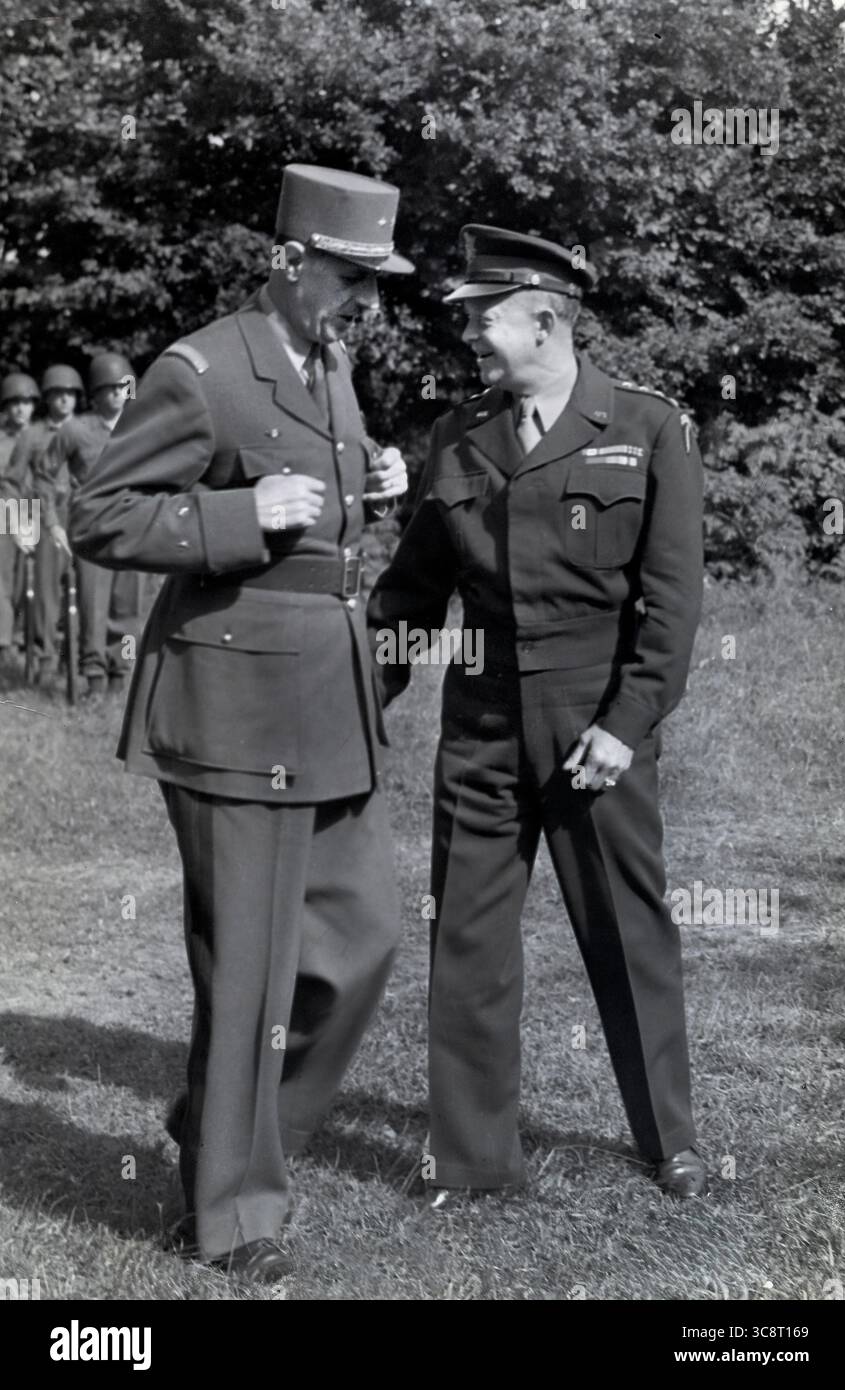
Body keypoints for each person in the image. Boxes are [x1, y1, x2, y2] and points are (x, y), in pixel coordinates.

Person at [69, 164, 413, 1282]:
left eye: (374, 282)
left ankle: (218, 1126)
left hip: (328, 697)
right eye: (351, 278)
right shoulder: (204, 368)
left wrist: (374, 477)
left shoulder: (334, 360)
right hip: (232, 703)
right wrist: (235, 513)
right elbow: (98, 514)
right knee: (252, 975)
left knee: (362, 943)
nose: (367, 301)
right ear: (289, 260)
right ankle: (230, 1214)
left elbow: (327, 488)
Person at [367, 225, 706, 1206]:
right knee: (467, 934)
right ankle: (475, 1165)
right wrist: (356, 695)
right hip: (480, 712)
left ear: (547, 318)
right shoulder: (458, 435)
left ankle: (670, 1140)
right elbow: (411, 594)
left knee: (624, 928)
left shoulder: (647, 428)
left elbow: (671, 604)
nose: (467, 331)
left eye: (483, 315)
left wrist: (623, 724)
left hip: (592, 711)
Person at [36, 352, 143, 699]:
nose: (116, 394)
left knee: (128, 609)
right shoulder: (75, 430)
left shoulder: (142, 427)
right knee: (93, 608)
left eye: (122, 387)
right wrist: (52, 524)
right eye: (107, 388)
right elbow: (44, 474)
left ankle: (122, 673)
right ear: (94, 394)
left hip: (134, 528)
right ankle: (94, 676)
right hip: (92, 529)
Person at [1, 364, 84, 684]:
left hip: (80, 516)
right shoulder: (33, 437)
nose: (63, 401)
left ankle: (81, 655)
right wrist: (19, 522)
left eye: (69, 394)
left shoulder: (86, 431)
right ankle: (43, 653)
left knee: (81, 592)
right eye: (56, 395)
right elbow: (11, 483)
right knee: (42, 590)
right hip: (40, 516)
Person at [0, 373, 41, 663]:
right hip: (4, 513)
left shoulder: (47, 437)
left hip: (38, 512)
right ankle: (5, 642)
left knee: (38, 580)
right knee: (4, 580)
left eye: (25, 402)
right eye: (14, 402)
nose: (20, 409)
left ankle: (35, 642)